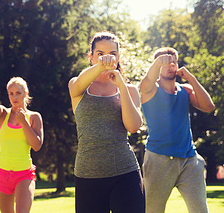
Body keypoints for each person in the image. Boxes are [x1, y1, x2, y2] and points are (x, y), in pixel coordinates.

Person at [68, 31, 145, 213]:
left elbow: (133, 126)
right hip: (88, 175)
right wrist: (101, 67)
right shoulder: (78, 86)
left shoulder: (130, 90)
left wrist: (121, 86)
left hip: (125, 173)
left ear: (118, 57)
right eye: (100, 54)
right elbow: (77, 85)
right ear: (91, 57)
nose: (106, 59)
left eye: (112, 54)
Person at [139, 47, 215, 213]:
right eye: (164, 62)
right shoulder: (151, 89)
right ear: (157, 66)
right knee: (153, 210)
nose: (169, 65)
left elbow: (209, 106)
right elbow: (144, 84)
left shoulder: (185, 90)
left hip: (190, 160)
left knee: (201, 210)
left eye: (172, 62)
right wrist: (159, 62)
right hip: (159, 160)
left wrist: (192, 79)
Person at [0, 77, 43, 213]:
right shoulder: (2, 114)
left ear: (25, 94)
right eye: (11, 93)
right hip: (1, 173)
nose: (14, 97)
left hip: (24, 174)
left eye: (18, 93)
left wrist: (24, 122)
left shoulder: (34, 117)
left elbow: (36, 145)